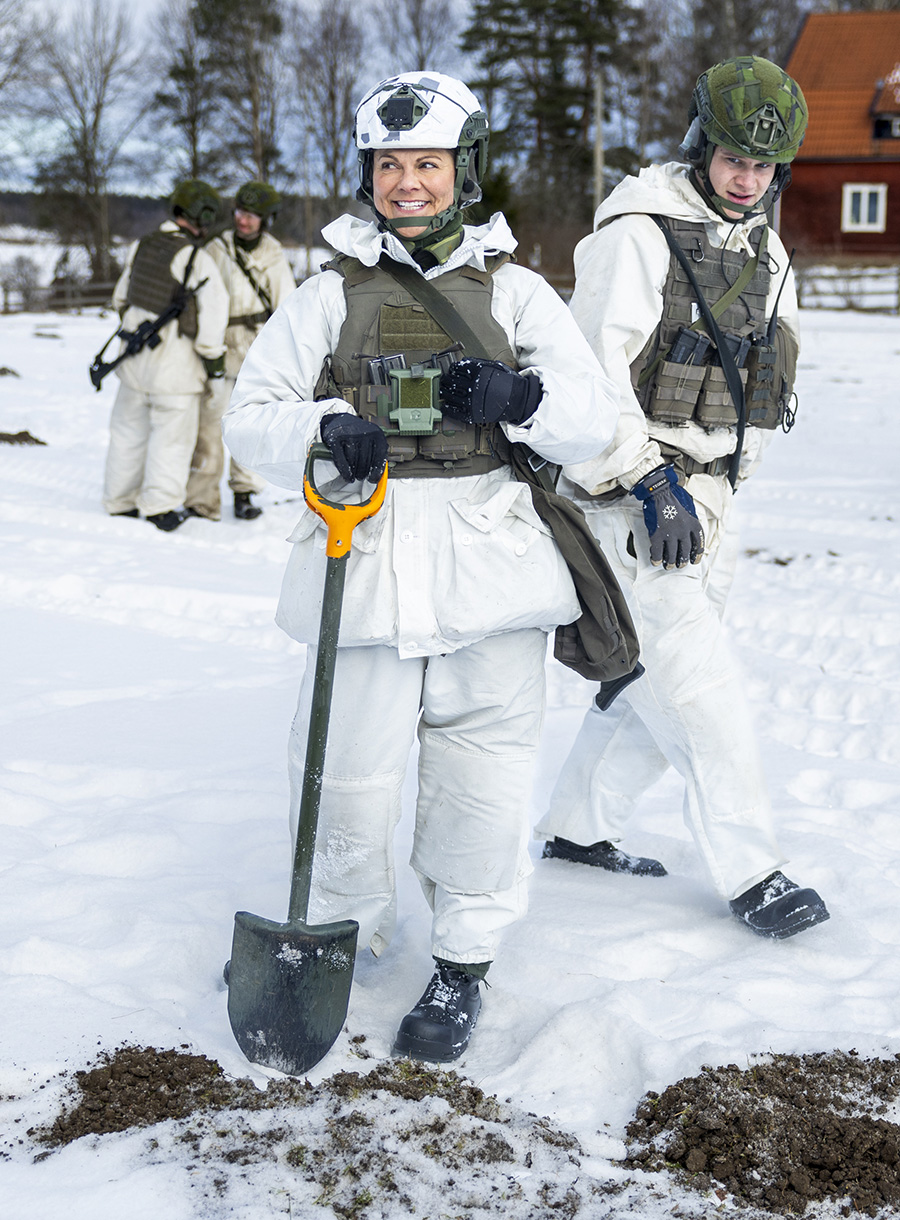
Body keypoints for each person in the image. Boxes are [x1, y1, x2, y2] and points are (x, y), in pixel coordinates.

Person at [222, 71, 620, 1061]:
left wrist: (522, 393)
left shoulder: (520, 292)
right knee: (345, 775)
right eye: (390, 165)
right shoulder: (322, 296)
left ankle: (463, 962)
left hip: (492, 562)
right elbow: (247, 418)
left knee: (482, 774)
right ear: (370, 174)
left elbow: (594, 421)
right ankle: (338, 938)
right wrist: (324, 425)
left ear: (463, 171)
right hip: (363, 557)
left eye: (427, 164)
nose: (407, 183)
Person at [535, 57, 830, 940]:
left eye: (765, 166)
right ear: (702, 143)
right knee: (702, 689)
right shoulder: (638, 236)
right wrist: (646, 478)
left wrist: (728, 480)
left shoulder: (766, 250)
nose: (748, 179)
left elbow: (767, 375)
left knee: (644, 678)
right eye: (735, 158)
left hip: (714, 498)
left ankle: (581, 829)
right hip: (637, 498)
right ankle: (756, 871)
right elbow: (585, 381)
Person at [102, 180, 229, 531]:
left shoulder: (143, 245)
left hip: (131, 363)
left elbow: (120, 299)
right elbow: (213, 322)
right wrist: (214, 366)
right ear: (202, 216)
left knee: (127, 433)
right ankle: (160, 507)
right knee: (172, 440)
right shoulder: (196, 259)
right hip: (175, 371)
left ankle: (119, 501)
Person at [185, 181, 296, 522]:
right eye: (239, 213)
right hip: (218, 345)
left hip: (257, 347)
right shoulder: (215, 250)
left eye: (252, 216)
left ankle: (245, 491)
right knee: (208, 425)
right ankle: (202, 498)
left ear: (266, 220)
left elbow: (287, 306)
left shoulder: (274, 255)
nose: (243, 221)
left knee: (253, 424)